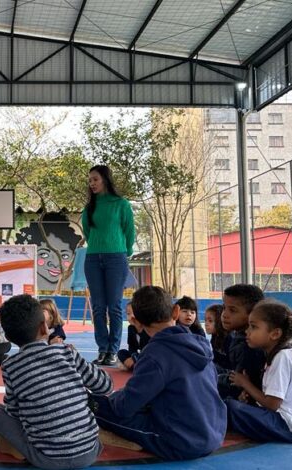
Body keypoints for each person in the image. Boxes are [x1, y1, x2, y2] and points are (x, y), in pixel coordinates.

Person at [91, 286, 226, 461]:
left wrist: (113, 398)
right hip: (215, 431)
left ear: (137, 322)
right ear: (176, 311)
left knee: (95, 405)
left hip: (182, 442)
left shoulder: (154, 355)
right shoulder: (201, 344)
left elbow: (124, 407)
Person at [0, 295, 110, 470]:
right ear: (44, 327)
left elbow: (14, 413)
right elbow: (105, 386)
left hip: (46, 460)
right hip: (89, 452)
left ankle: (20, 449)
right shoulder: (65, 352)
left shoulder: (10, 366)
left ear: (8, 336)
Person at [227, 301, 292, 443]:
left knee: (230, 407)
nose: (247, 331)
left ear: (275, 334)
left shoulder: (283, 357)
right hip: (284, 421)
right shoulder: (278, 355)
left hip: (289, 426)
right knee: (235, 406)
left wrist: (245, 383)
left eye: (253, 327)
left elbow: (272, 404)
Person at [81, 165, 135, 366]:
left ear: (105, 179)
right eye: (90, 181)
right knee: (97, 307)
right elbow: (88, 232)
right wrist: (98, 246)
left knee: (114, 306)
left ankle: (113, 350)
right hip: (93, 259)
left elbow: (129, 231)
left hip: (116, 258)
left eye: (95, 179)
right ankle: (102, 349)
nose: (92, 183)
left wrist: (125, 252)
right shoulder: (89, 207)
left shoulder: (121, 204)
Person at [217, 284, 266, 400]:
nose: (224, 314)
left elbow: (237, 383)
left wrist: (214, 378)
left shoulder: (249, 346)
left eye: (232, 310)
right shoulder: (238, 336)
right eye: (224, 307)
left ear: (252, 314)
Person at [116, 302, 150, 371]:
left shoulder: (147, 328)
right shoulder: (131, 328)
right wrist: (132, 356)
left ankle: (137, 366)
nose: (130, 316)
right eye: (128, 314)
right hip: (137, 356)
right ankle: (135, 366)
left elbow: (148, 348)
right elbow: (131, 346)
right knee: (121, 352)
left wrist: (135, 357)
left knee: (146, 358)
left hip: (147, 355)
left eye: (133, 313)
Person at [205, 304, 231, 371]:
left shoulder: (229, 338)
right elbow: (214, 358)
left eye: (210, 321)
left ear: (219, 321)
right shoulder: (215, 336)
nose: (206, 324)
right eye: (205, 320)